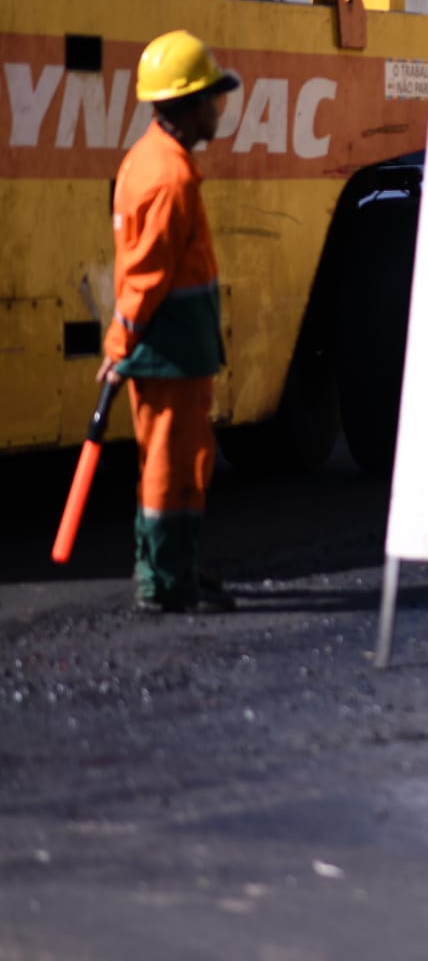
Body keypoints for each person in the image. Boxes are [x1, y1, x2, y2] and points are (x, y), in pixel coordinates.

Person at [99, 30, 240, 614]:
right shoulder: (168, 176)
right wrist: (119, 344)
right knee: (168, 463)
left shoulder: (159, 159)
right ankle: (162, 581)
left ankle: (175, 566)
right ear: (185, 105)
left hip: (178, 346)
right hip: (167, 347)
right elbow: (144, 275)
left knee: (184, 458)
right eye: (211, 96)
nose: (218, 107)